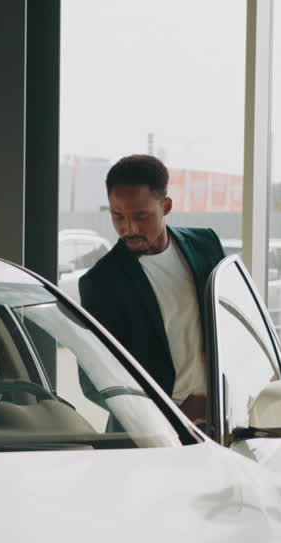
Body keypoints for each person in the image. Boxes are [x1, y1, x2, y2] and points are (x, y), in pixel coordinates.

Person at [78, 154, 225, 422]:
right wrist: (175, 415)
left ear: (166, 206)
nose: (129, 228)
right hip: (153, 436)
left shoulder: (206, 245)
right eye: (118, 216)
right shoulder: (100, 282)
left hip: (221, 422)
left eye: (141, 216)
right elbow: (95, 381)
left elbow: (232, 326)